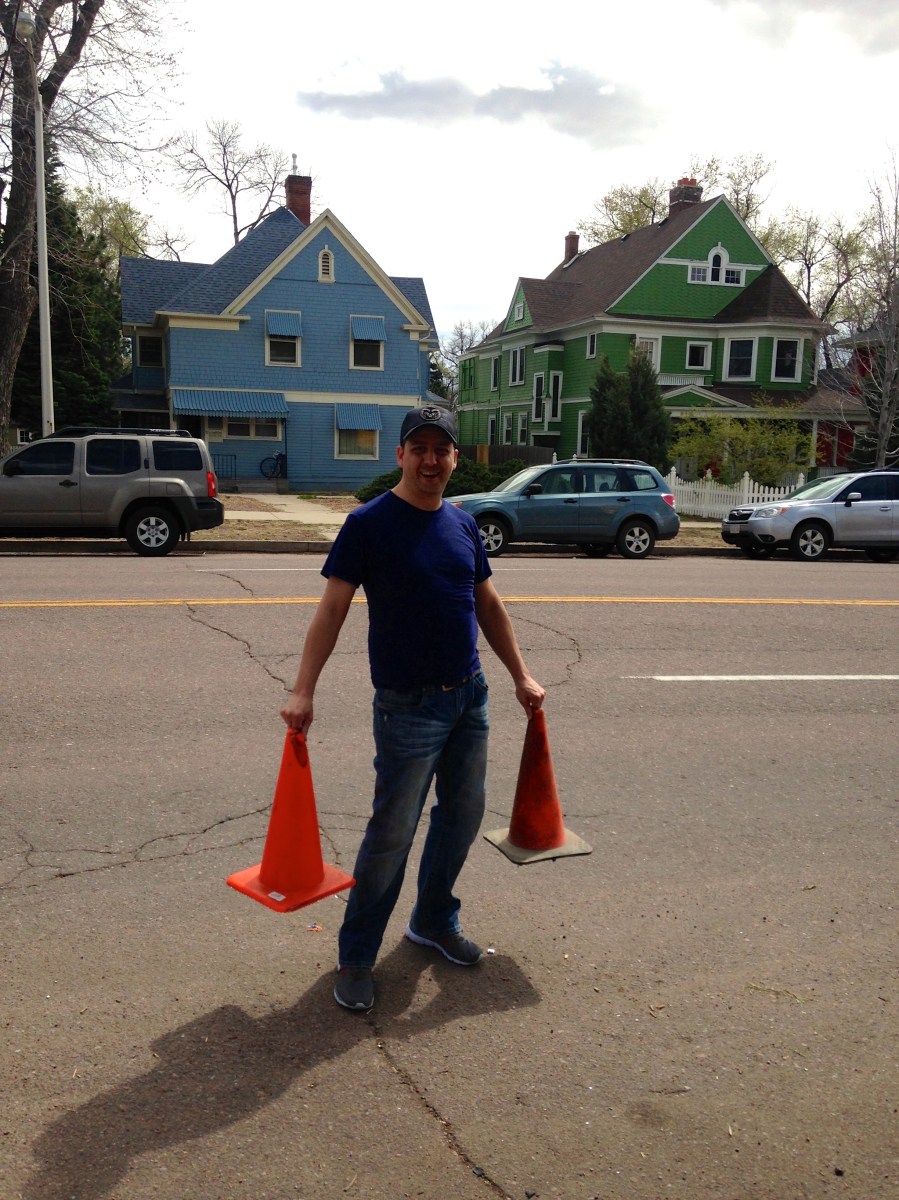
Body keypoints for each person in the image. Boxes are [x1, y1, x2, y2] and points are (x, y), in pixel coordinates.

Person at [280, 405, 545, 1012]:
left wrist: (520, 675)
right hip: (408, 708)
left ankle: (431, 920)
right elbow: (332, 610)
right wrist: (303, 688)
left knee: (462, 815)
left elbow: (488, 604)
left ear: (455, 457)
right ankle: (356, 954)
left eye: (441, 449)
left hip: (468, 697)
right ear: (399, 455)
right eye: (418, 448)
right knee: (392, 833)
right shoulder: (368, 524)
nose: (431, 460)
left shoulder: (462, 524)